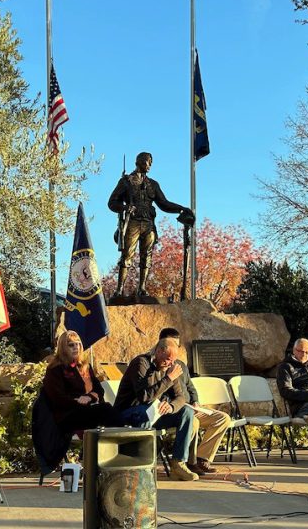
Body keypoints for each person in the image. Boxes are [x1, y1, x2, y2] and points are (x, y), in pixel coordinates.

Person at [114, 329, 197, 481]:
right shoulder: (141, 363)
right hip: (129, 413)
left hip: (154, 413)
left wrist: (171, 407)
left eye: (173, 360)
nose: (170, 364)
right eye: (167, 359)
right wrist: (169, 378)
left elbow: (181, 397)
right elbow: (144, 396)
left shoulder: (171, 365)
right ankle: (142, 465)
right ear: (158, 351)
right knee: (146, 411)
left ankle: (178, 462)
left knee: (186, 412)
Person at [107, 151, 194, 297]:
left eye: (151, 162)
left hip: (148, 223)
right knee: (127, 255)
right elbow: (112, 202)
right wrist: (124, 207)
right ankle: (119, 290)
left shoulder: (153, 184)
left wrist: (181, 208)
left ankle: (142, 288)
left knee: (146, 256)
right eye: (148, 161)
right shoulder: (126, 182)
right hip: (133, 222)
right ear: (139, 161)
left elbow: (164, 203)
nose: (150, 165)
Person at [169, 330, 232, 476]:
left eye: (177, 346)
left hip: (192, 406)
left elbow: (191, 387)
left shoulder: (181, 365)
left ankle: (202, 458)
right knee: (193, 421)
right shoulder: (158, 365)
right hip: (177, 410)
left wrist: (196, 401)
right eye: (172, 345)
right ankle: (189, 463)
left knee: (223, 418)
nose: (175, 350)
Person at [42, 330, 123, 433]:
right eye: (71, 345)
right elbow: (58, 398)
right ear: (63, 348)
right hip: (68, 414)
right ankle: (125, 444)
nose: (76, 347)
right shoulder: (55, 368)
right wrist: (79, 401)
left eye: (78, 344)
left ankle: (124, 441)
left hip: (89, 409)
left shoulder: (85, 366)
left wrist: (89, 397)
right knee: (105, 410)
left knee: (113, 412)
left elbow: (99, 390)